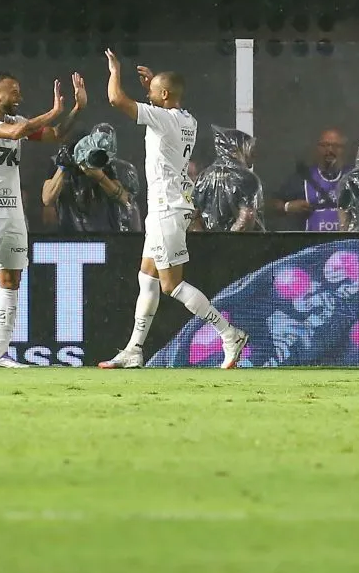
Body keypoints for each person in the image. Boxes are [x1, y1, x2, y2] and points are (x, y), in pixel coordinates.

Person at [99, 49, 249, 370]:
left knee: (171, 285)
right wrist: (152, 88)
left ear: (164, 95)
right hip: (167, 206)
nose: (149, 97)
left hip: (167, 208)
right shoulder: (186, 119)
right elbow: (159, 107)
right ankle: (134, 350)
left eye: (154, 92)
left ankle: (229, 333)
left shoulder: (163, 117)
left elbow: (115, 99)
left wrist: (115, 70)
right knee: (147, 278)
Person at [0, 72, 86, 368]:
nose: (19, 97)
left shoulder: (16, 121)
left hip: (12, 213)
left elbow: (55, 135)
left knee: (10, 279)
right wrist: (51, 112)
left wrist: (76, 110)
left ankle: (0, 353)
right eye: (14, 92)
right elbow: (14, 134)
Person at [42, 123, 142, 232]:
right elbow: (47, 199)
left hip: (105, 234)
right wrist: (63, 166)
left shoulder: (101, 161)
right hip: (71, 236)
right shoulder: (57, 163)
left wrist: (99, 175)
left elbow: (124, 199)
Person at [271, 128, 348, 232]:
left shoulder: (353, 178)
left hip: (347, 245)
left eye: (335, 146)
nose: (330, 150)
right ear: (317, 148)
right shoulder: (302, 178)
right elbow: (270, 206)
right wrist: (287, 207)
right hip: (311, 246)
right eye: (324, 145)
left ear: (343, 149)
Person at [191, 125, 264, 232]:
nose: (254, 155)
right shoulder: (247, 178)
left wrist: (205, 241)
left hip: (209, 244)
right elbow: (247, 217)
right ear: (234, 150)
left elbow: (193, 216)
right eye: (248, 148)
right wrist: (229, 240)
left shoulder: (203, 177)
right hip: (240, 245)